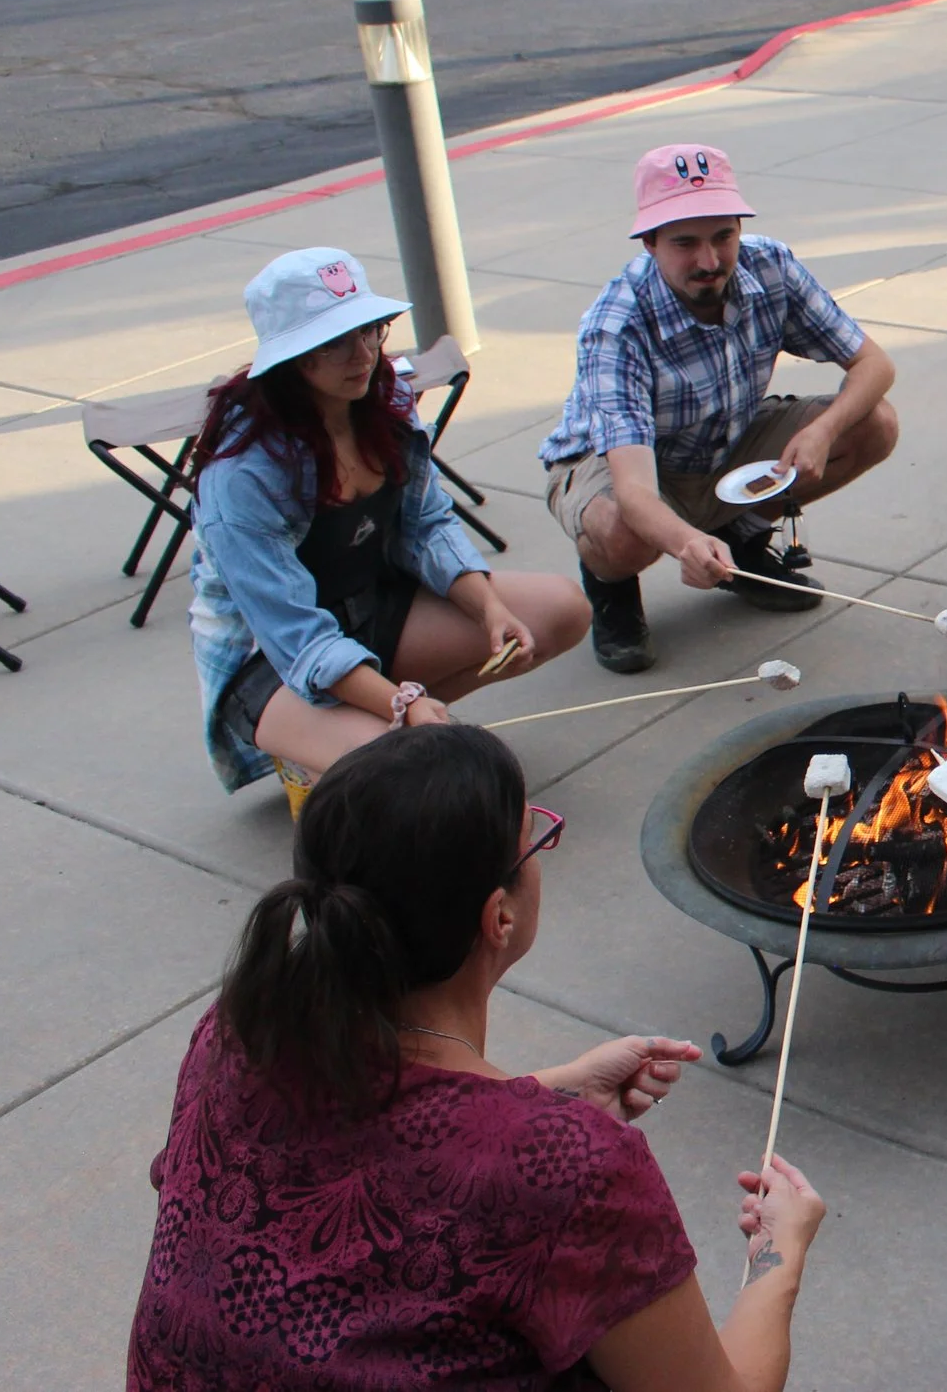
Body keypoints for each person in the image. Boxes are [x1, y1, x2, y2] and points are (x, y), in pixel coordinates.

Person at [128, 725, 826, 1390]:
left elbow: (371, 1160)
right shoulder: (575, 1172)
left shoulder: (238, 1033)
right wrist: (780, 1252)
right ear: (500, 916)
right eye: (535, 838)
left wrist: (548, 1094)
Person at [191, 248, 588, 806]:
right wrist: (403, 703)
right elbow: (296, 638)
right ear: (291, 357)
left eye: (370, 330)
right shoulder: (243, 475)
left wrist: (489, 610)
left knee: (562, 611)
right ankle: (350, 742)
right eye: (334, 342)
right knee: (422, 785)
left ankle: (380, 736)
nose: (363, 355)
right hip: (276, 660)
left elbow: (425, 524)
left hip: (371, 605)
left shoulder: (384, 397)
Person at [541, 143, 899, 674]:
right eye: (684, 242)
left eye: (722, 236)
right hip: (623, 464)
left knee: (875, 424)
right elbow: (635, 491)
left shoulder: (770, 264)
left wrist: (823, 431)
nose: (709, 261)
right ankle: (611, 588)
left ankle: (741, 538)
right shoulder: (616, 325)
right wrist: (687, 542)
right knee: (623, 530)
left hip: (723, 441)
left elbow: (874, 364)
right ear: (649, 242)